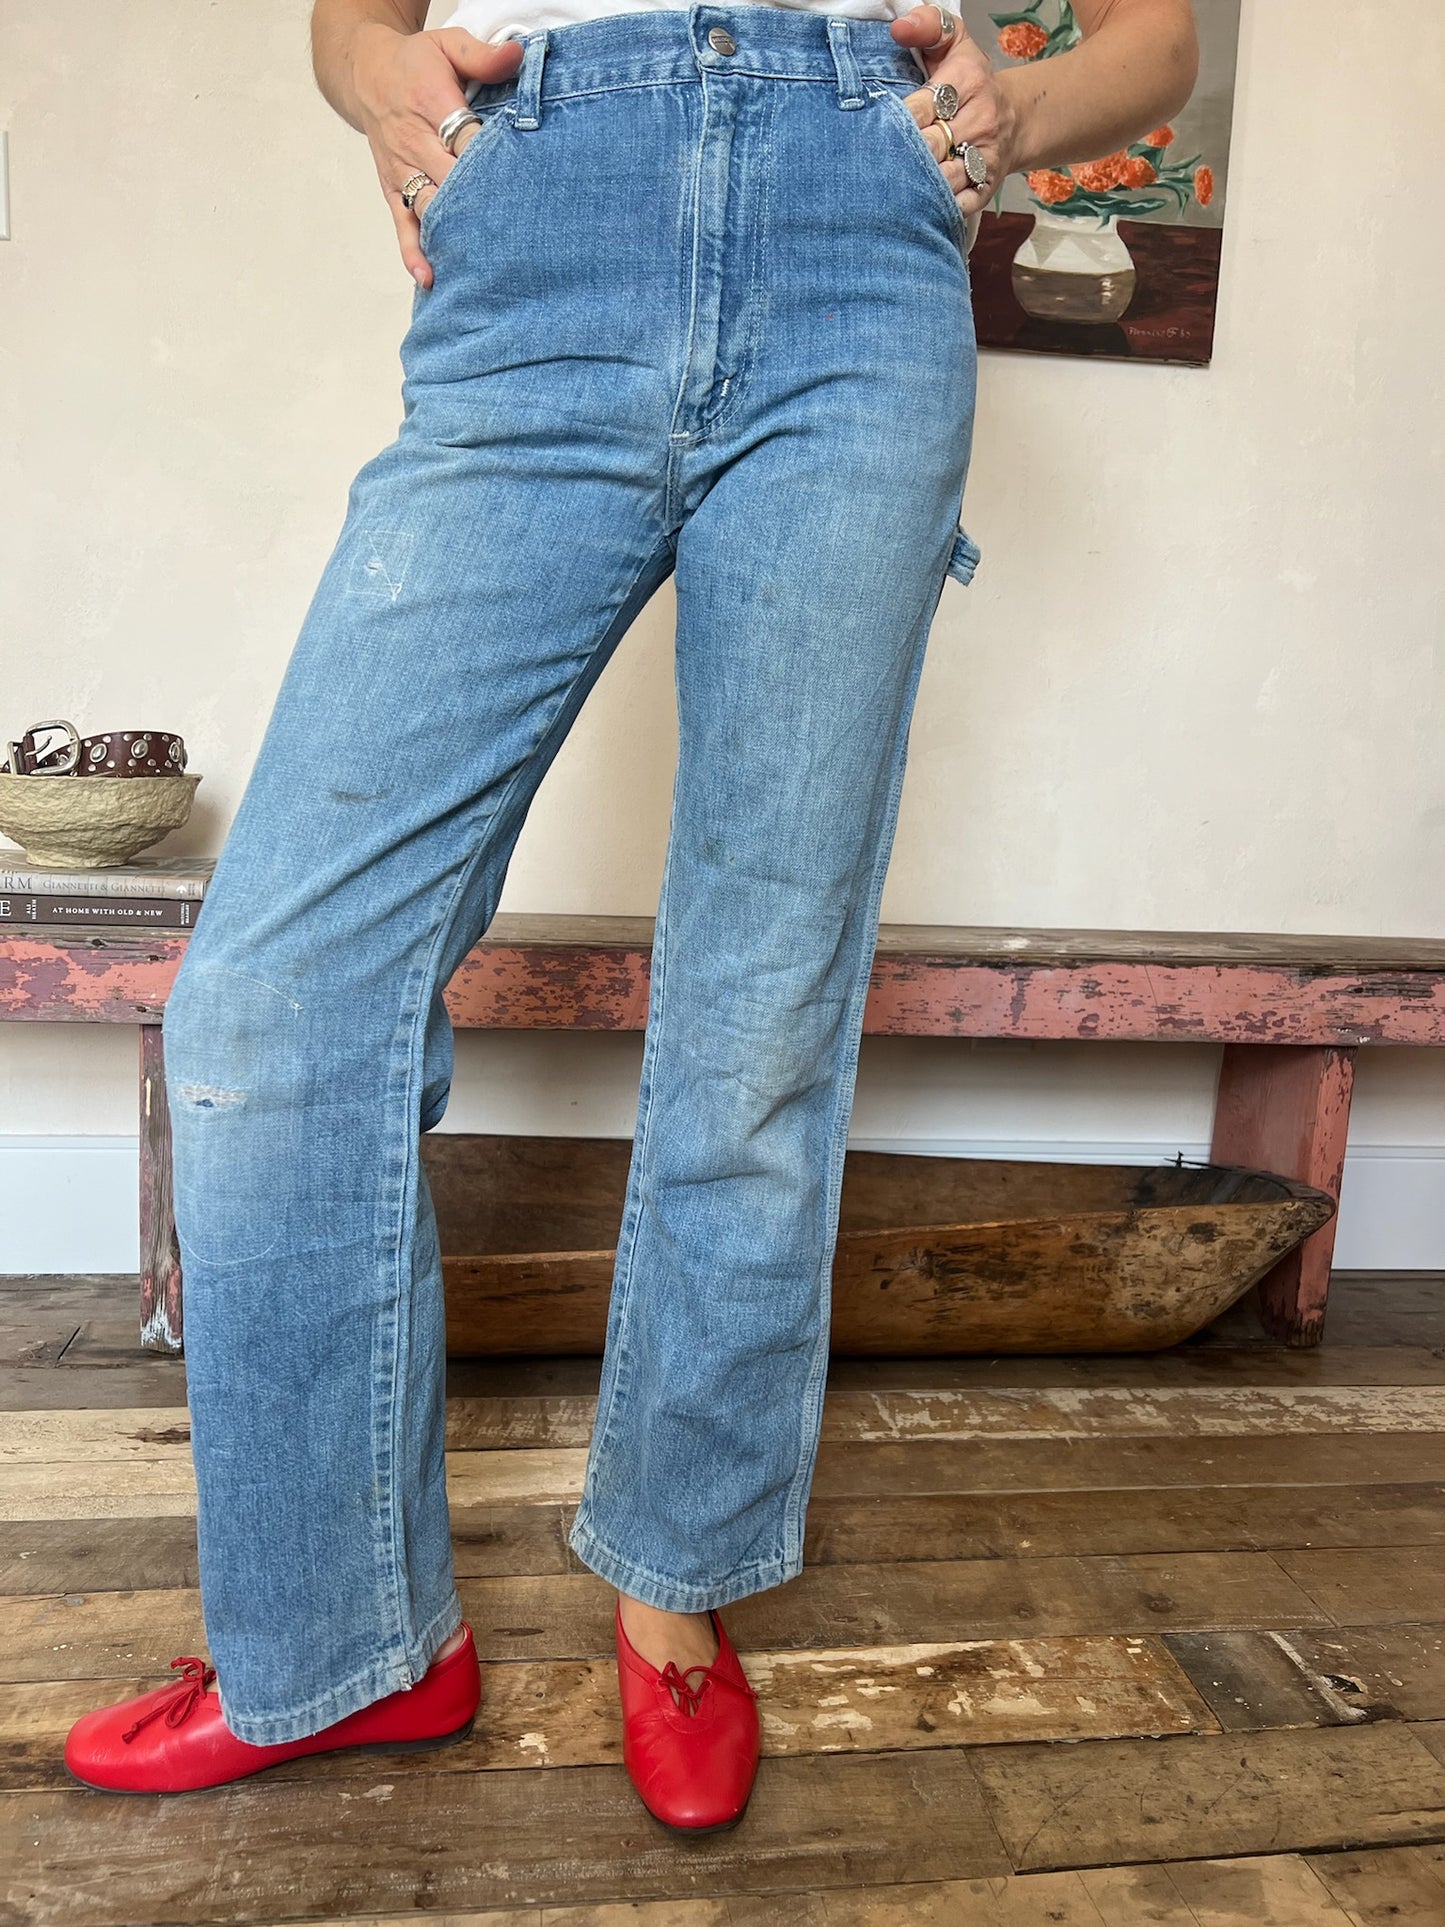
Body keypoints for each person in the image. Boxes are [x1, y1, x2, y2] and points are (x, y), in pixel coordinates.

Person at [64, 0, 1197, 1832]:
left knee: (759, 1001)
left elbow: (1156, 44)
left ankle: (675, 1586)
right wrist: (380, 88)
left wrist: (1021, 100)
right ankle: (341, 1647)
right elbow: (354, 24)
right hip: (541, 223)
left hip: (858, 247)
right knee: (274, 998)